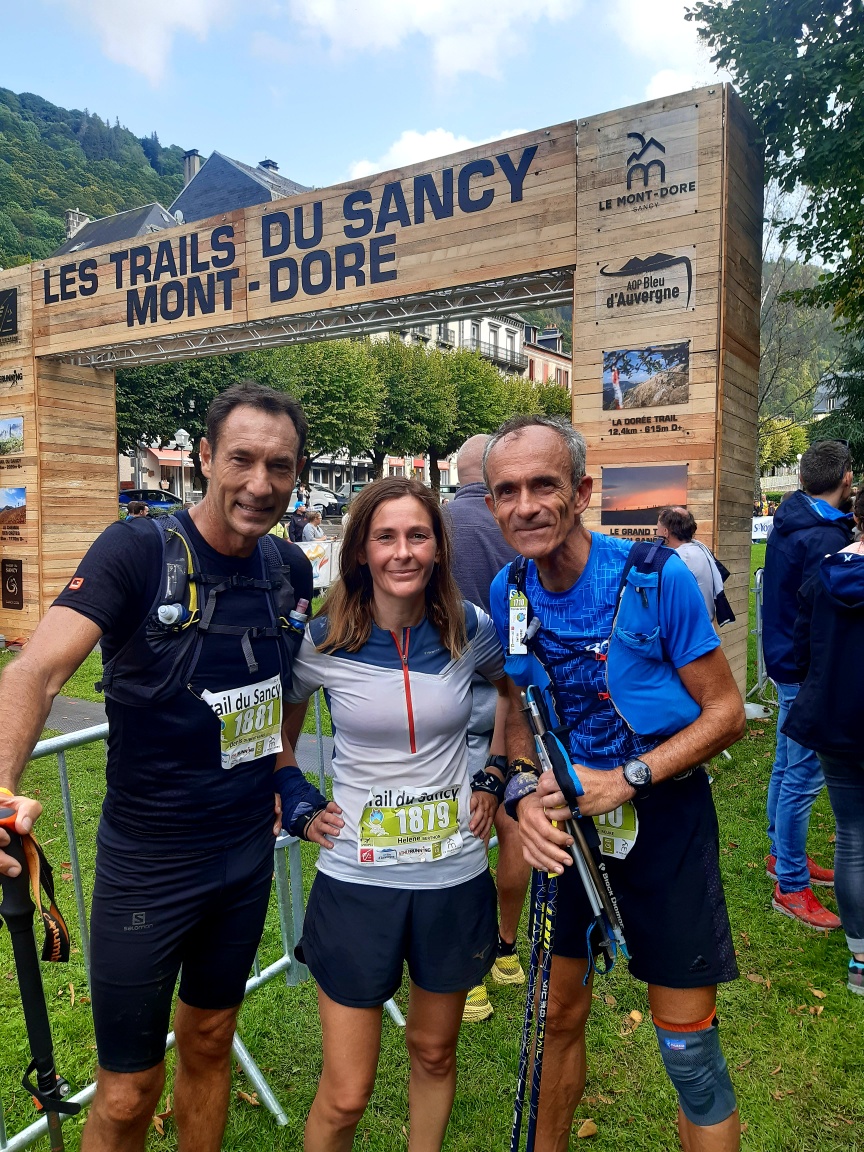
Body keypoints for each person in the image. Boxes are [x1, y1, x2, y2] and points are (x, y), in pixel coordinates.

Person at [0, 381, 341, 1152]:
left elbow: (284, 686)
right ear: (205, 458)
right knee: (126, 1093)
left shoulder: (287, 566)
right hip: (148, 865)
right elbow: (35, 674)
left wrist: (285, 771)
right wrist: (1, 788)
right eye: (243, 460)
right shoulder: (136, 549)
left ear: (297, 474)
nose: (260, 484)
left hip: (245, 856)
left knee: (213, 1039)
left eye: (280, 467)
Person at [483, 414, 745, 1152]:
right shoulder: (509, 588)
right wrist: (524, 791)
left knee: (689, 1051)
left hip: (664, 823)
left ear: (582, 491)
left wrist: (629, 777)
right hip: (569, 834)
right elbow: (518, 707)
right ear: (491, 503)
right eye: (507, 490)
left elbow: (727, 714)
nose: (525, 505)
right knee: (558, 1018)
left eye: (544, 485)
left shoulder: (653, 576)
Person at [282, 477, 510, 1152]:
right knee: (348, 1092)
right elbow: (277, 741)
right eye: (386, 537)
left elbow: (512, 696)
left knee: (435, 1054)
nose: (402, 552)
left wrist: (495, 774)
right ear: (360, 551)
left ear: (439, 548)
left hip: (451, 874)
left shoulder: (471, 627)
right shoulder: (321, 641)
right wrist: (297, 801)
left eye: (418, 535)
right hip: (358, 879)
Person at [445, 434, 529, 1024]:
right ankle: (504, 950)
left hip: (451, 686)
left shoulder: (441, 522)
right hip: (518, 685)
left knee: (467, 828)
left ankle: (468, 972)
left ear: (459, 471)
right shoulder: (517, 523)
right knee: (516, 817)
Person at [763, 440, 854, 928]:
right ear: (845, 477)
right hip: (808, 668)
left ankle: (782, 856)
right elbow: (819, 615)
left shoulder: (793, 520)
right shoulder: (824, 536)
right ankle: (792, 885)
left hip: (784, 661)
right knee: (802, 775)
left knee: (785, 762)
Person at [784, 511, 864, 996]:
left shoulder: (825, 574)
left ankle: (860, 958)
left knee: (852, 837)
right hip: (838, 722)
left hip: (833, 720)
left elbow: (802, 651)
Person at [656, 505, 735, 625]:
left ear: (666, 532)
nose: (656, 532)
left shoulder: (679, 558)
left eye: (658, 528)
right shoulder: (699, 548)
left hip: (690, 633)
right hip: (702, 627)